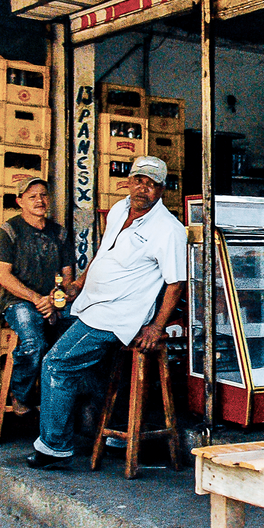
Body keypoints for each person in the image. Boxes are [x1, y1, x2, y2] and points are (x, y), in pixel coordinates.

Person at [26, 156, 187, 470]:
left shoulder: (169, 230)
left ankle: (54, 448)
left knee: (56, 363)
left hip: (117, 315)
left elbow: (175, 284)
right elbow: (102, 255)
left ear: (162, 189)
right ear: (128, 180)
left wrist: (156, 326)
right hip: (90, 303)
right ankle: (114, 435)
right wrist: (76, 286)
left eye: (152, 183)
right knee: (59, 337)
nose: (144, 188)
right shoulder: (119, 209)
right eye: (139, 179)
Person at [0, 177, 76, 417]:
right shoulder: (8, 231)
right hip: (19, 302)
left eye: (43, 195)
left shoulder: (58, 233)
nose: (39, 200)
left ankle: (69, 401)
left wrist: (58, 298)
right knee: (33, 343)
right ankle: (22, 395)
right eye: (32, 196)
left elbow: (68, 276)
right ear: (19, 201)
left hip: (53, 302)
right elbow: (2, 276)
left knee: (82, 334)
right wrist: (37, 299)